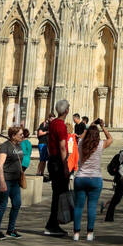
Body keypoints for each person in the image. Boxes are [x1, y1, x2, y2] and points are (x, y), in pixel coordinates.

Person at [72, 119, 112, 242]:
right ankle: (90, 233)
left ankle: (76, 234)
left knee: (78, 207)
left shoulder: (80, 143)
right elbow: (110, 138)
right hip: (95, 178)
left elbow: (83, 135)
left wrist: (91, 125)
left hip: (80, 178)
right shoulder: (100, 145)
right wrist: (103, 127)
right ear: (98, 135)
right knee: (92, 207)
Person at [43, 99, 71, 237]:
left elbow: (49, 142)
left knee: (57, 194)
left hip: (52, 160)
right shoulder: (60, 125)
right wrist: (65, 165)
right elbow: (62, 147)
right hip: (58, 162)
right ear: (66, 111)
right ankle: (52, 225)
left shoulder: (52, 123)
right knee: (59, 194)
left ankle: (53, 223)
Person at [0, 126, 25, 240]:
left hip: (15, 180)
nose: (23, 136)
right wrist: (2, 182)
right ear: (13, 136)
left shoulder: (18, 145)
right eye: (20, 134)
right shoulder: (5, 146)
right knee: (2, 205)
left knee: (17, 204)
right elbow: (0, 166)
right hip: (6, 179)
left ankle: (11, 230)